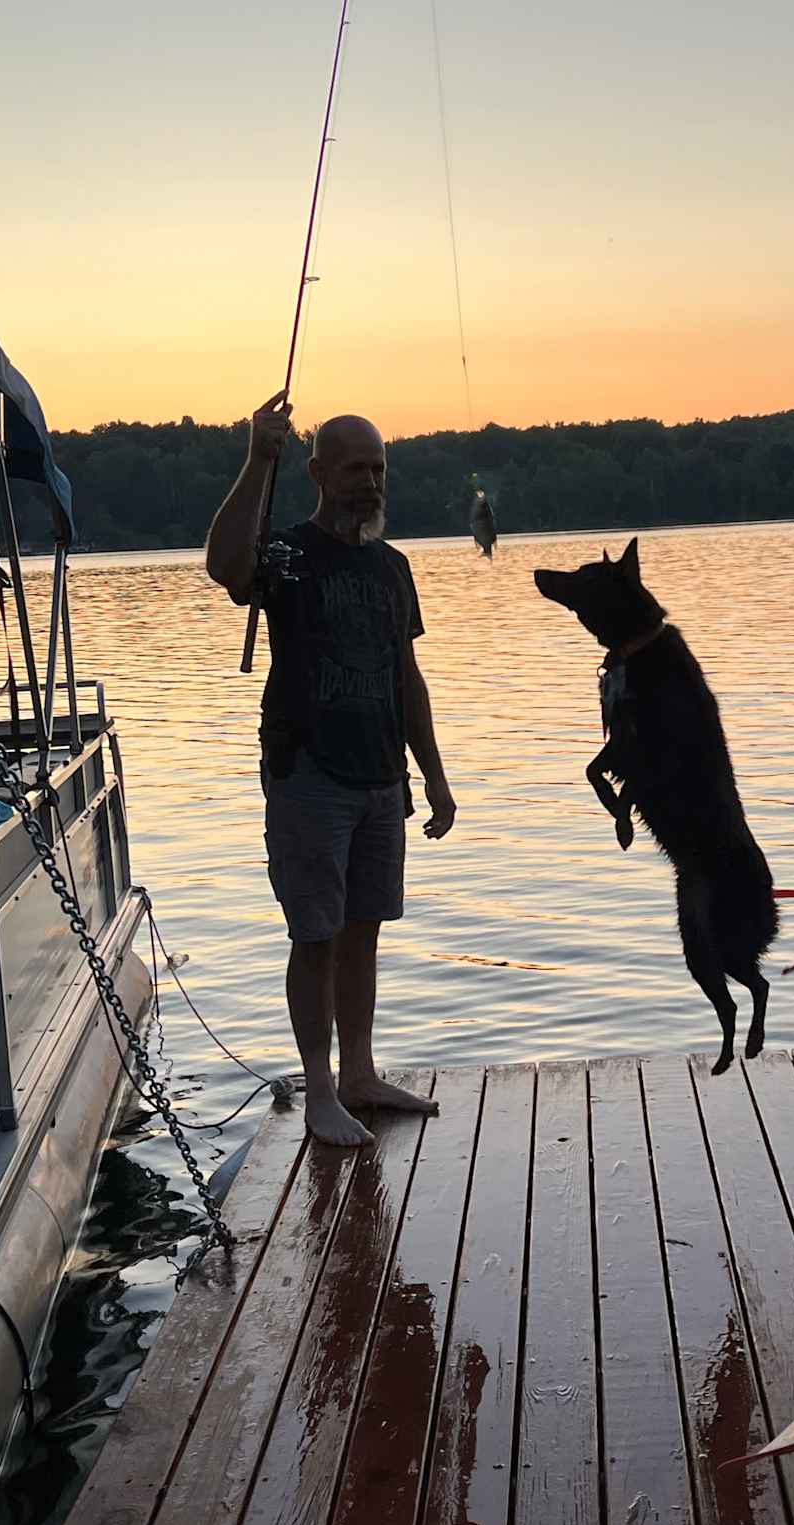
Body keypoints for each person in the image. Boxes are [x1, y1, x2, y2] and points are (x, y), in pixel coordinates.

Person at [206, 390, 456, 1146]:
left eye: (378, 469)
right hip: (308, 772)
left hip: (383, 778)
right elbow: (224, 564)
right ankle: (319, 1089)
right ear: (317, 472)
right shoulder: (285, 554)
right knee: (314, 934)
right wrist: (256, 458)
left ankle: (359, 1072)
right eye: (354, 469)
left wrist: (435, 775)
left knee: (364, 930)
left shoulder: (393, 567)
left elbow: (406, 677)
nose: (370, 482)